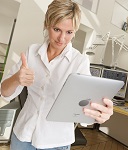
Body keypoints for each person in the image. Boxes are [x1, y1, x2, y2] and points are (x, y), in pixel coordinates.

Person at [0, 0, 113, 150]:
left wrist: (99, 113)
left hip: (56, 142)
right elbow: (4, 92)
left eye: (69, 32)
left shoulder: (79, 62)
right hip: (23, 135)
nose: (62, 39)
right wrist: (16, 79)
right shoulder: (32, 52)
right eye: (57, 29)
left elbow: (86, 107)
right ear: (47, 24)